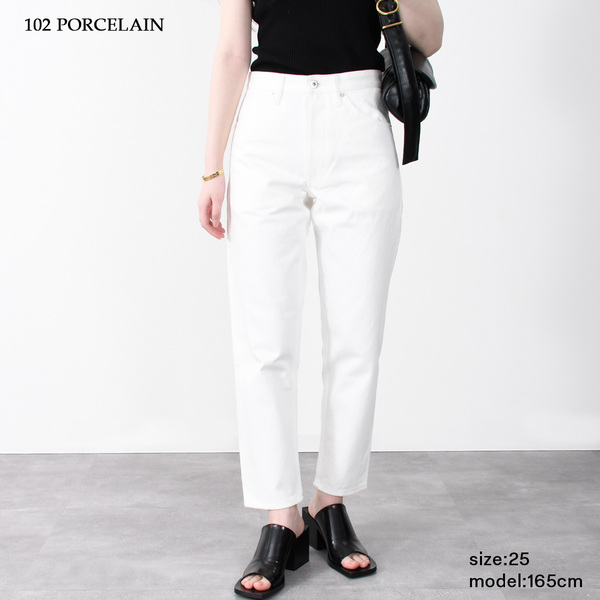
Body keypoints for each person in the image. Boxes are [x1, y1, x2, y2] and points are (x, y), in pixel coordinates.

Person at [198, 0, 443, 596]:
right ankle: (280, 516)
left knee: (357, 339)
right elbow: (232, 50)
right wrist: (211, 169)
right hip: (266, 123)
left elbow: (431, 36)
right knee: (264, 344)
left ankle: (329, 502)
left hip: (358, 118)